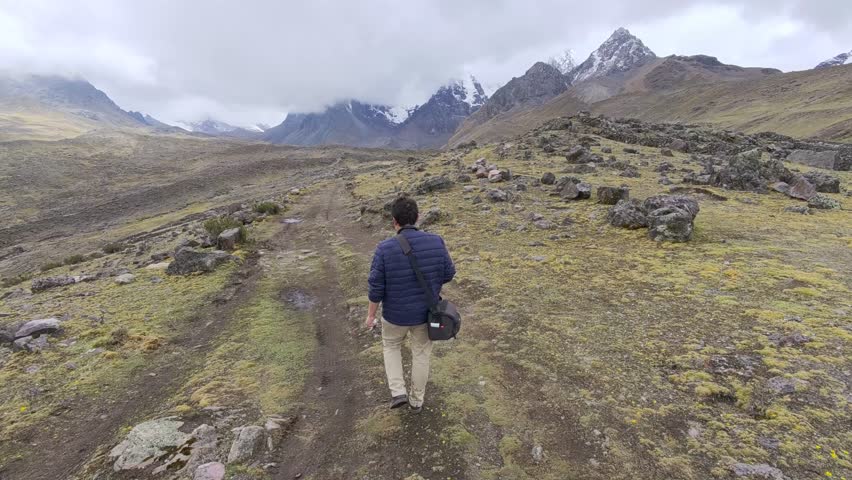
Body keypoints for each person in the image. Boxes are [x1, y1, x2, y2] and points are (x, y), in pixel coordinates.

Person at [365, 195, 455, 413]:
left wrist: (370, 315)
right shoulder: (436, 241)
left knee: (391, 346)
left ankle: (398, 392)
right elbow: (448, 273)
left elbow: (376, 287)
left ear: (394, 221)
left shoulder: (384, 249)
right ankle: (416, 401)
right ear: (417, 217)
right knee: (421, 354)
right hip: (425, 315)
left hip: (394, 316)